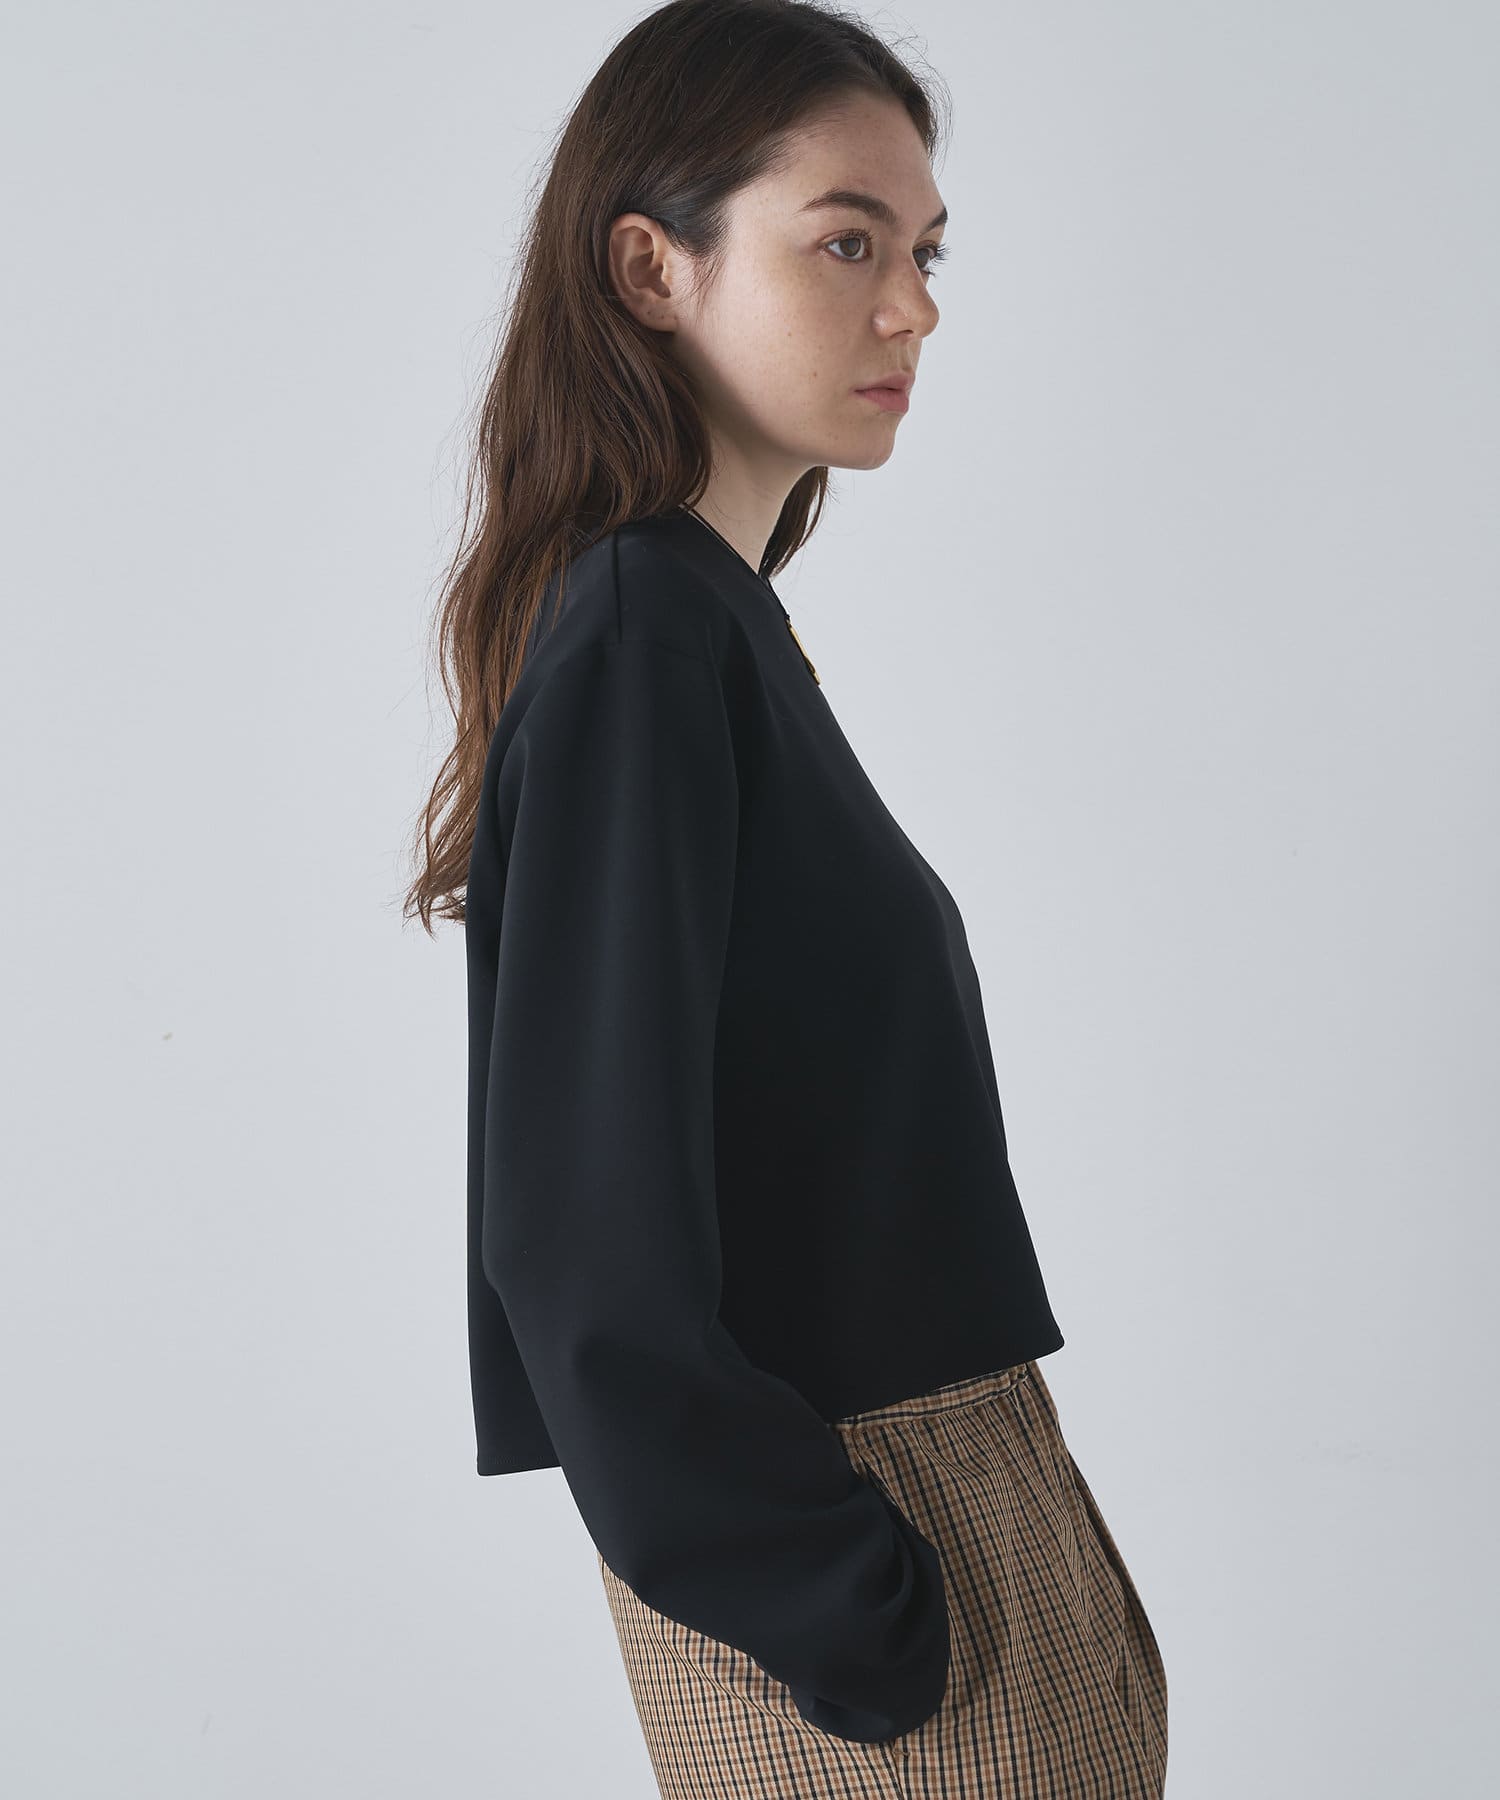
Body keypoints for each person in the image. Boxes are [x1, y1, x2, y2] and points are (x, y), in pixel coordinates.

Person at [404, 2, 1168, 1794]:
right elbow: (580, 1253)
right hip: (870, 1599)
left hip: (954, 1528)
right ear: (651, 268)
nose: (913, 308)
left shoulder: (707, 628)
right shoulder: (646, 635)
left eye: (925, 254)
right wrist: (850, 1611)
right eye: (846, 243)